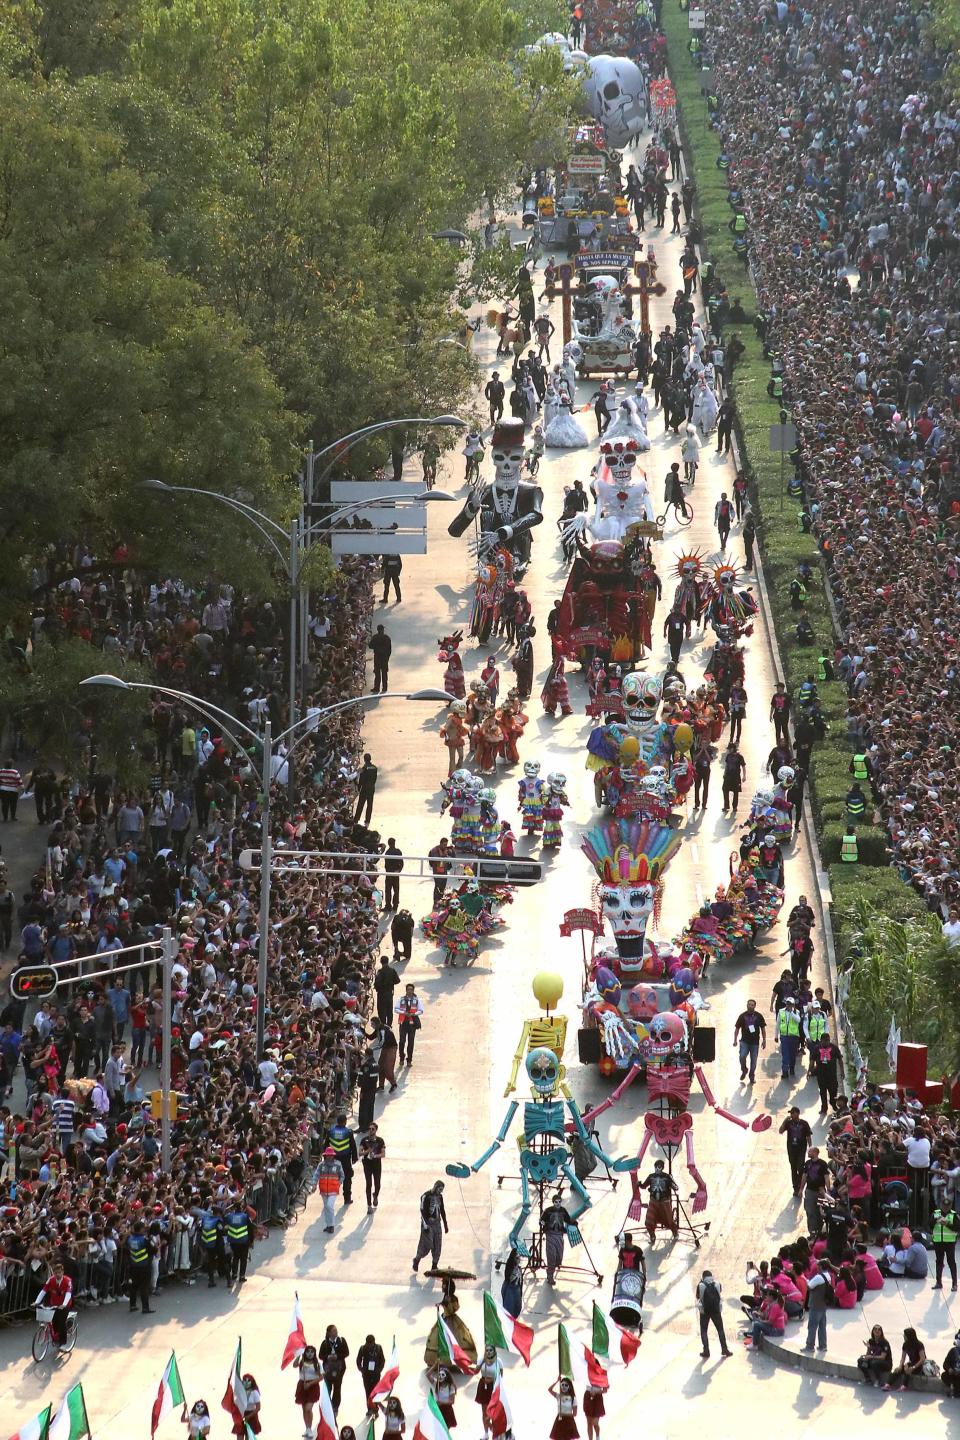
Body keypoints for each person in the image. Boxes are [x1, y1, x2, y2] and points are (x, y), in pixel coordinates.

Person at [638, 1159, 678, 1241]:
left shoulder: (667, 1177)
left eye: (659, 1167)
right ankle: (652, 1235)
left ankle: (675, 1232)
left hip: (665, 1201)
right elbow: (644, 1186)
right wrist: (639, 1184)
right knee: (649, 1220)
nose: (657, 1169)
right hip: (653, 1201)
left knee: (669, 1220)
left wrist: (673, 1185)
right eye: (656, 1167)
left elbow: (675, 1186)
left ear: (662, 1167)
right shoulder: (651, 1176)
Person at [696, 1270, 732, 1358]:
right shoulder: (717, 1284)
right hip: (716, 1311)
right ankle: (724, 1349)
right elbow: (720, 1293)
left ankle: (706, 1351)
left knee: (704, 1331)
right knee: (720, 1330)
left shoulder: (700, 1285)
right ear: (711, 1276)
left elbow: (697, 1296)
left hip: (704, 1311)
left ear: (703, 1277)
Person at [413, 1180, 448, 1272]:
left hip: (437, 1224)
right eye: (439, 1189)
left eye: (442, 1190)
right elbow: (422, 1211)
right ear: (436, 1187)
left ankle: (434, 1265)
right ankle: (417, 1259)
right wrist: (425, 1226)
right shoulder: (426, 1196)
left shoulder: (440, 1197)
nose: (440, 1192)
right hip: (428, 1225)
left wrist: (445, 1224)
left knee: (438, 1245)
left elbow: (442, 1210)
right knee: (426, 1245)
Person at [37, 1260, 72, 1346]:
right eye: (56, 1273)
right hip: (54, 1304)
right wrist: (37, 1301)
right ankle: (55, 1338)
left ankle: (63, 1343)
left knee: (61, 1322)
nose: (57, 1275)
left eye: (59, 1273)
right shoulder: (51, 1280)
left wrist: (64, 1304)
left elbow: (68, 1293)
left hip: (65, 1305)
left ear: (62, 1272)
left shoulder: (67, 1281)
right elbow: (44, 1291)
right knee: (53, 1321)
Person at [779, 1106, 813, 1195]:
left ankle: (800, 1183)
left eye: (792, 1113)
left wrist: (810, 1147)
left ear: (797, 1113)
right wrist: (785, 1121)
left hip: (801, 1148)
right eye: (790, 1113)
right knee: (793, 1168)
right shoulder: (789, 1123)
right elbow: (780, 1131)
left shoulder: (804, 1124)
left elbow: (808, 1136)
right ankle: (795, 1187)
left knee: (800, 1167)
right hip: (791, 1149)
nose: (791, 1115)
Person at [542, 1191, 573, 1284]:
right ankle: (550, 1276)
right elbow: (542, 1220)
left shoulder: (563, 1211)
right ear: (553, 1202)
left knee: (558, 1257)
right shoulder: (548, 1211)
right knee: (551, 1256)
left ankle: (551, 1270)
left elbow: (568, 1219)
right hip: (550, 1235)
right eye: (556, 1202)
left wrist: (574, 1223)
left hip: (559, 1236)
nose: (558, 1204)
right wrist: (542, 1223)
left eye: (559, 1202)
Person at [802, 1260, 833, 1353]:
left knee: (812, 1326)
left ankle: (810, 1346)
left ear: (820, 1267)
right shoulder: (828, 1275)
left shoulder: (819, 1277)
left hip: (815, 1305)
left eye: (818, 1265)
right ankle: (823, 1345)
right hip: (823, 1305)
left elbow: (809, 1286)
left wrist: (805, 1279)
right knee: (822, 1326)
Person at [328, 1113, 358, 1205]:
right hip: (345, 1159)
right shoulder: (348, 1132)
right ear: (345, 1122)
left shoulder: (331, 1132)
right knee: (347, 1178)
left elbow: (326, 1145)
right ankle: (347, 1198)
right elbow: (353, 1145)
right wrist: (354, 1157)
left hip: (333, 1159)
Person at [313, 1146, 344, 1234]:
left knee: (330, 1206)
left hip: (333, 1190)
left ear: (333, 1156)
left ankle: (332, 1225)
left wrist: (339, 1183)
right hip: (323, 1190)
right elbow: (316, 1175)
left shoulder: (338, 1164)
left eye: (331, 1155)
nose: (329, 1157)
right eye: (328, 1155)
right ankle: (328, 1225)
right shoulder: (321, 1165)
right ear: (325, 1155)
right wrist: (314, 1184)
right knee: (326, 1207)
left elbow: (342, 1176)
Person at [733, 999, 766, 1082]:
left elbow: (763, 1028)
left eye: (752, 1005)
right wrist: (735, 1040)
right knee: (742, 1056)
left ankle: (752, 1075)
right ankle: (744, 1069)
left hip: (755, 1043)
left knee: (754, 1061)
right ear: (747, 1005)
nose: (750, 1006)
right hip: (744, 1041)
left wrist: (764, 1040)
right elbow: (737, 1028)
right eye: (749, 1004)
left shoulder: (759, 1016)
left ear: (755, 1006)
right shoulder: (742, 1016)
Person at [811, 1032, 844, 1114]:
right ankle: (824, 1108)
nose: (827, 1042)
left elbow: (840, 1059)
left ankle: (833, 1103)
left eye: (828, 1040)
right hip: (821, 1075)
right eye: (825, 1041)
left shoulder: (834, 1048)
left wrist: (842, 1071)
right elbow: (812, 1060)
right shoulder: (816, 1048)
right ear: (821, 1040)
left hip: (832, 1075)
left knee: (833, 1091)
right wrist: (810, 1070)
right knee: (822, 1092)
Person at [320, 1324, 350, 1412]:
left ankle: (335, 1406)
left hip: (339, 1369)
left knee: (337, 1387)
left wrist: (337, 1356)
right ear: (329, 1333)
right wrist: (328, 1357)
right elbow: (320, 1355)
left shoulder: (341, 1340)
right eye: (333, 1331)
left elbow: (346, 1353)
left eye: (336, 1330)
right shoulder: (325, 1343)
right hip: (328, 1370)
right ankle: (327, 1405)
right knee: (328, 1387)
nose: (336, 1332)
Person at [295, 1344, 323, 1437]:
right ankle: (307, 1428)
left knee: (308, 1408)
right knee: (303, 1409)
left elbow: (321, 1376)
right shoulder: (302, 1362)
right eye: (308, 1352)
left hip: (312, 1387)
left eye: (312, 1352)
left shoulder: (317, 1364)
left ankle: (310, 1428)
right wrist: (299, 1355)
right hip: (302, 1385)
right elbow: (294, 1365)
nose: (310, 1354)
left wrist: (310, 1384)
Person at [932, 1204, 959, 1290]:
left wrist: (947, 1224)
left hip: (949, 1242)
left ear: (950, 1206)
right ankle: (938, 1282)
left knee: (951, 1262)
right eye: (944, 1206)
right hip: (938, 1241)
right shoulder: (936, 1213)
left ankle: (954, 1284)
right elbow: (929, 1225)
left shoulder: (954, 1215)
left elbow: (957, 1228)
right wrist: (935, 1220)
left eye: (947, 1206)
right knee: (939, 1262)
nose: (946, 1208)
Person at [395, 983, 423, 1066]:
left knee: (411, 1042)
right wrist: (403, 1012)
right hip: (403, 1023)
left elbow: (421, 1010)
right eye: (408, 989)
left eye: (411, 990)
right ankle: (401, 1058)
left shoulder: (416, 1000)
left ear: (413, 991)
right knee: (402, 1041)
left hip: (412, 1024)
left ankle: (409, 1060)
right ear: (406, 990)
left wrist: (414, 1014)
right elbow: (396, 1009)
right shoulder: (401, 999)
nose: (410, 991)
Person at [360, 1124, 385, 1211]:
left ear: (376, 1130)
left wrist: (375, 1155)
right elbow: (360, 1153)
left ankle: (375, 1195)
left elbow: (383, 1154)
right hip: (367, 1164)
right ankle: (369, 1205)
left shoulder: (380, 1140)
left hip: (376, 1164)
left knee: (377, 1184)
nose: (370, 1130)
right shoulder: (364, 1140)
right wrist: (367, 1151)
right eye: (369, 1129)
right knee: (368, 1184)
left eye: (372, 1129)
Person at [775, 997, 801, 1079]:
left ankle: (792, 1067)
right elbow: (778, 1024)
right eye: (787, 1003)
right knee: (785, 1054)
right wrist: (776, 1035)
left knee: (792, 1055)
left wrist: (791, 1013)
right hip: (784, 1036)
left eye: (790, 1004)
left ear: (793, 1004)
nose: (788, 1005)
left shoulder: (796, 1012)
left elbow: (798, 1020)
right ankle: (785, 1071)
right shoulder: (781, 1011)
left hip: (794, 1037)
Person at [357, 1334, 385, 1410]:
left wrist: (379, 1369)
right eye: (368, 1344)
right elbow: (358, 1360)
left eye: (371, 1344)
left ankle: (375, 1407)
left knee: (375, 1391)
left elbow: (382, 1360)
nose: (369, 1345)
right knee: (368, 1391)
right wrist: (361, 1369)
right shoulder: (362, 1348)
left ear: (374, 1342)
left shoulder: (378, 1348)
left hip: (376, 1374)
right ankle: (369, 1408)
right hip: (366, 1374)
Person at [428, 1365, 457, 1430]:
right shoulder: (436, 1384)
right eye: (439, 1375)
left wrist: (441, 1402)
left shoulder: (451, 1387)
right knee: (437, 1428)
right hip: (438, 1409)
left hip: (446, 1410)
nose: (440, 1377)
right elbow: (428, 1375)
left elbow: (452, 1401)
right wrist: (435, 1366)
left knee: (445, 1429)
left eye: (442, 1375)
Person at [374, 956, 401, 1026]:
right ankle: (389, 1025)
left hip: (381, 994)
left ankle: (383, 1024)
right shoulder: (392, 970)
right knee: (389, 1010)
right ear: (388, 961)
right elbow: (397, 980)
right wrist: (391, 983)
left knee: (381, 1010)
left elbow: (377, 983)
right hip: (389, 993)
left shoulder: (380, 972)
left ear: (381, 962)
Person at [721, 741, 745, 814]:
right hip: (728, 776)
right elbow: (727, 765)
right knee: (725, 789)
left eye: (730, 749)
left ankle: (734, 806)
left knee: (736, 792)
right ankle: (726, 805)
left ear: (733, 748)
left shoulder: (739, 756)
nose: (729, 750)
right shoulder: (728, 756)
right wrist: (724, 774)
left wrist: (744, 776)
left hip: (736, 777)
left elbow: (743, 766)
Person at [354, 753, 378, 826]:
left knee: (361, 804)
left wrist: (358, 788)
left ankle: (356, 819)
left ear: (364, 759)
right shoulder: (374, 768)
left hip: (364, 788)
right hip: (371, 788)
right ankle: (367, 820)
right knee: (369, 805)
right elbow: (375, 779)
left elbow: (361, 780)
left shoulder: (364, 768)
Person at [428, 836, 453, 906]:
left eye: (446, 845)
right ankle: (436, 901)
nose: (445, 846)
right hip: (437, 872)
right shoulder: (434, 850)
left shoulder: (446, 850)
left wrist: (451, 851)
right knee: (437, 887)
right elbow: (434, 860)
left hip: (444, 871)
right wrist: (444, 856)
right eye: (444, 845)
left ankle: (441, 901)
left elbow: (452, 857)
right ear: (441, 843)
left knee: (443, 886)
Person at [369, 625, 392, 693]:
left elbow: (370, 646)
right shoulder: (387, 638)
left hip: (377, 657)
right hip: (384, 658)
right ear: (382, 630)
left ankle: (377, 687)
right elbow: (389, 650)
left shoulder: (375, 637)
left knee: (377, 673)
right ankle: (384, 687)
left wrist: (376, 647)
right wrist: (387, 657)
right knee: (384, 673)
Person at [382, 839, 403, 911]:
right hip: (396, 873)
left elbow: (386, 865)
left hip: (389, 874)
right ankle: (395, 905)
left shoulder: (387, 853)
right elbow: (401, 863)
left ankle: (388, 905)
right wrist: (398, 870)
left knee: (388, 890)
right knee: (396, 890)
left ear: (388, 844)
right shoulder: (398, 851)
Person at [942, 1330, 960, 1399]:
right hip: (953, 1374)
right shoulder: (953, 1351)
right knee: (944, 1375)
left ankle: (956, 1389)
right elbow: (945, 1363)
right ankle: (954, 1388)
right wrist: (949, 1369)